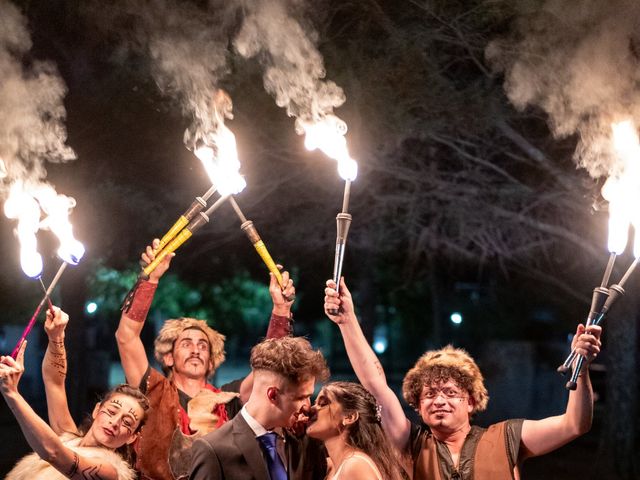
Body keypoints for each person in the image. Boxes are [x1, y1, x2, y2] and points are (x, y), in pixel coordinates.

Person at [324, 278, 602, 480]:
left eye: (449, 392)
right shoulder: (411, 443)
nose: (439, 400)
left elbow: (575, 424)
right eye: (429, 395)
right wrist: (348, 320)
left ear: (470, 401)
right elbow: (375, 383)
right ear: (418, 407)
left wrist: (584, 366)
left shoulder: (507, 437)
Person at [116, 239, 297, 480]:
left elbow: (270, 369)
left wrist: (281, 310)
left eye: (203, 346)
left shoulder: (229, 399)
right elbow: (126, 337)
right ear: (168, 357)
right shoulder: (154, 391)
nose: (196, 349)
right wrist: (151, 279)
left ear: (211, 361)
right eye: (186, 343)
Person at [2, 307, 149, 480]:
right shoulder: (68, 437)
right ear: (97, 410)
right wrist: (56, 336)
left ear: (132, 437)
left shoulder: (110, 472)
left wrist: (12, 393)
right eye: (111, 411)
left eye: (127, 422)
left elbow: (54, 453)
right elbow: (55, 383)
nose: (115, 422)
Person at [189, 336, 330, 480]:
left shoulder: (306, 440)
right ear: (273, 395)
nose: (307, 406)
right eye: (301, 398)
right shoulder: (213, 451)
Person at [306, 381, 404, 480]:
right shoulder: (333, 467)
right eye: (315, 403)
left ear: (349, 417)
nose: (312, 409)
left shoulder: (356, 466)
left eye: (323, 404)